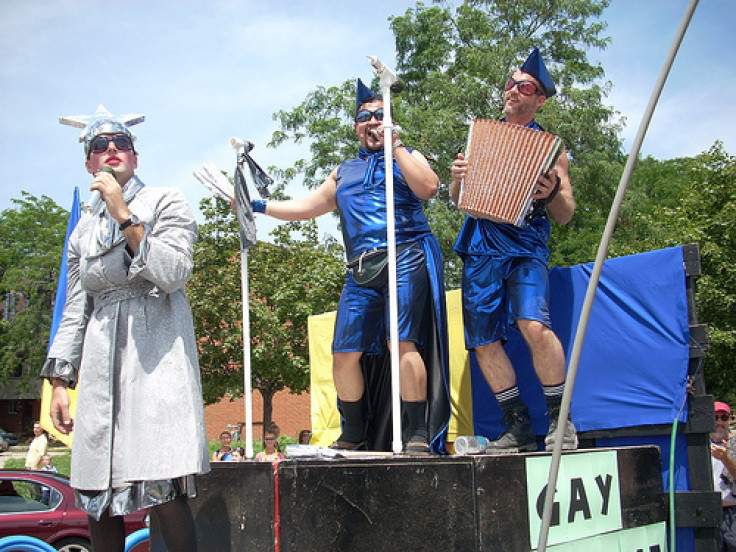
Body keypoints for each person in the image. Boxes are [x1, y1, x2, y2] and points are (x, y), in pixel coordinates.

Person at [251, 79, 451, 454]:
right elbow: (306, 207)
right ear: (356, 125)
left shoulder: (407, 156)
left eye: (380, 115)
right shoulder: (343, 170)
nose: (373, 121)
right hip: (360, 268)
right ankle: (354, 431)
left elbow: (428, 188)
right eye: (365, 116)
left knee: (401, 342)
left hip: (406, 253)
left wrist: (397, 146)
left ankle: (417, 433)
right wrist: (256, 206)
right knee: (344, 352)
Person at [41, 106, 209, 552]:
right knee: (99, 495)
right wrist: (61, 381)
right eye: (100, 145)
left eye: (121, 143)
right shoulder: (81, 232)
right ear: (89, 163)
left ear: (135, 156)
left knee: (163, 484)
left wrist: (124, 214)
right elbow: (76, 307)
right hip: (101, 362)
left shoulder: (167, 200)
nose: (111, 150)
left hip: (156, 351)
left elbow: (174, 273)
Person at [450, 49, 577, 453]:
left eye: (524, 86)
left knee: (534, 325)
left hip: (525, 246)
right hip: (482, 245)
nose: (513, 91)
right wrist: (457, 179)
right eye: (510, 83)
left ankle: (560, 419)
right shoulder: (481, 137)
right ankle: (517, 425)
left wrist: (554, 191)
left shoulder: (551, 149)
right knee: (483, 340)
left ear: (539, 99)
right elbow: (460, 199)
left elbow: (566, 214)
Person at [711, 401, 736, 551]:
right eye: (715, 417)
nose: (719, 422)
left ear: (730, 420)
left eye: (724, 417)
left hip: (733, 513)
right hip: (708, 513)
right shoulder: (697, 445)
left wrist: (725, 459)